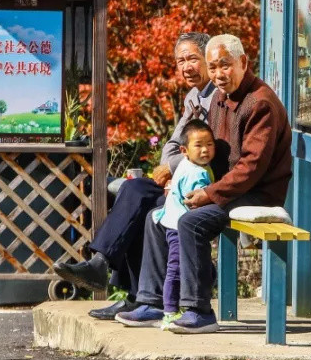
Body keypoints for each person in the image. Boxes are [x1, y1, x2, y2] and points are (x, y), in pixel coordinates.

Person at [124, 33, 293, 333]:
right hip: (222, 187)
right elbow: (209, 151)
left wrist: (209, 193)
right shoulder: (218, 96)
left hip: (255, 194)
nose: (217, 74)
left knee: (191, 222)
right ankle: (151, 302)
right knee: (157, 216)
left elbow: (251, 168)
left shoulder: (260, 104)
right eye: (212, 67)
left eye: (224, 66)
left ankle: (199, 310)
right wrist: (181, 184)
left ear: (243, 62)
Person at [53, 32, 216, 320]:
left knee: (144, 206)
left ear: (208, 60)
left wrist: (173, 167)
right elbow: (172, 144)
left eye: (193, 59)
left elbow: (205, 149)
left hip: (199, 185)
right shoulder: (193, 96)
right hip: (179, 179)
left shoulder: (217, 97)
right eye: (180, 61)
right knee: (134, 191)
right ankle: (106, 268)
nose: (186, 67)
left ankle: (129, 291)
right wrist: (170, 166)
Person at [116, 119, 216, 328]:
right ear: (184, 150)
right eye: (198, 146)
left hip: (170, 220)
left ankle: (163, 307)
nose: (205, 150)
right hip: (179, 227)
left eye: (210, 145)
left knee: (175, 267)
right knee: (175, 269)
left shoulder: (186, 166)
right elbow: (193, 202)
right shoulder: (197, 172)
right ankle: (168, 310)